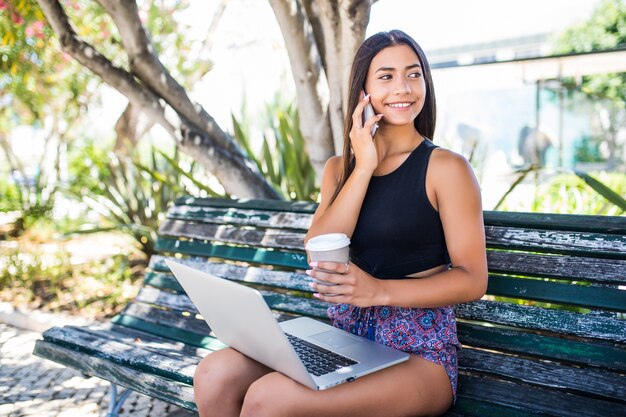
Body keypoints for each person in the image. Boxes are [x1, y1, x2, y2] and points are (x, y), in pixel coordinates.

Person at [193, 29, 488, 417]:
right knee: (215, 372)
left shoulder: (445, 168)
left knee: (271, 399)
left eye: (413, 74)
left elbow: (472, 279)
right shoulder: (340, 170)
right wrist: (363, 165)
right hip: (346, 341)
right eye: (386, 76)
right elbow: (318, 246)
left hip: (419, 354)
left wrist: (378, 291)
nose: (403, 87)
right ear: (363, 91)